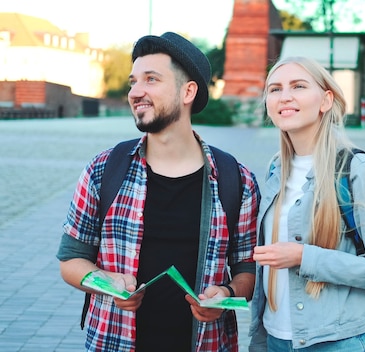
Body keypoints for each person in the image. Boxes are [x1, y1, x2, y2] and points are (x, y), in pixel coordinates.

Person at [56, 32, 259, 352]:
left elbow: (248, 269)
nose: (136, 92)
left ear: (188, 90)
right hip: (115, 342)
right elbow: (70, 260)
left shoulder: (237, 180)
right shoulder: (104, 169)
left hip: (206, 344)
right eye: (133, 82)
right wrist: (104, 282)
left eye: (151, 79)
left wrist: (225, 294)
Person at [248, 56, 365, 351]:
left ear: (325, 100)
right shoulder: (275, 171)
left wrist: (304, 257)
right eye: (275, 89)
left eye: (298, 86)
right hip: (275, 339)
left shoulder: (356, 169)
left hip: (339, 340)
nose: (285, 96)